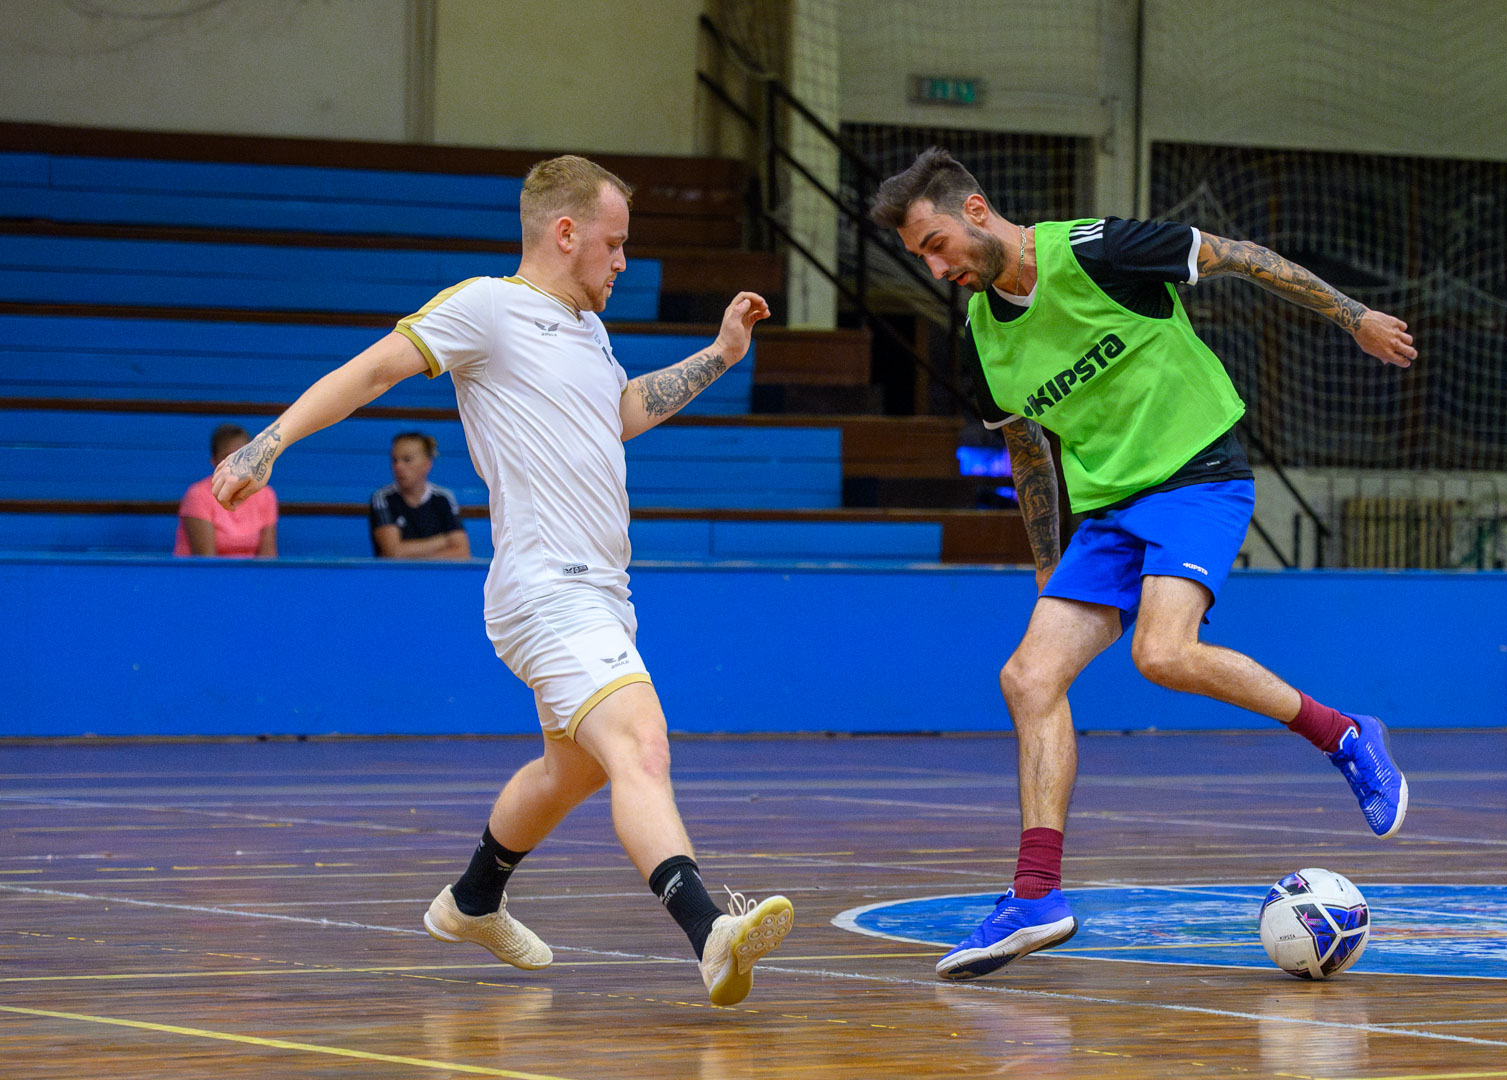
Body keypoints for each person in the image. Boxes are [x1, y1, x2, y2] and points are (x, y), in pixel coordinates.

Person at [212, 155, 793, 1006]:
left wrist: (719, 354)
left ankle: (473, 899)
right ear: (566, 232)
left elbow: (619, 413)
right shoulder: (486, 306)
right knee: (640, 743)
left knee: (574, 771)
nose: (622, 262)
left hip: (603, 591)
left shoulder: (588, 331)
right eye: (614, 244)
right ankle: (710, 931)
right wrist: (268, 444)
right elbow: (373, 370)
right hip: (545, 588)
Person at [870, 148, 1416, 982]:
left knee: (1161, 653)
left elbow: (1241, 256)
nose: (936, 269)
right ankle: (1035, 896)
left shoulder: (1094, 251)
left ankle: (1344, 734)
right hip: (1107, 509)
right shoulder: (982, 334)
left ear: (974, 211)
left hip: (1195, 473)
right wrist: (1051, 569)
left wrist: (1353, 317)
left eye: (935, 245)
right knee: (1028, 677)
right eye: (921, 258)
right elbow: (1028, 455)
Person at [175, 422, 277, 557]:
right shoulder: (198, 495)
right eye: (228, 457)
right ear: (214, 461)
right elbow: (206, 560)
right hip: (209, 571)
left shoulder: (265, 495)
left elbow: (268, 559)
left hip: (251, 571)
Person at [370, 432, 472, 559]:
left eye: (407, 460)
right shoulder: (383, 498)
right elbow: (394, 553)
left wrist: (420, 558)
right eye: (394, 460)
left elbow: (462, 552)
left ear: (427, 463)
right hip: (397, 572)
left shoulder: (443, 498)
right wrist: (443, 540)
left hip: (439, 572)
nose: (398, 467)